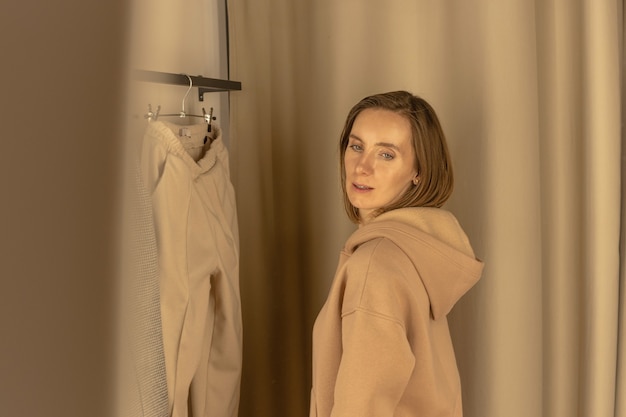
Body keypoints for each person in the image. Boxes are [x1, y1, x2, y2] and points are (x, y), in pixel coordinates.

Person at [309, 91, 484, 417]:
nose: (362, 167)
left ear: (419, 170)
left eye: (386, 155)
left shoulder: (374, 266)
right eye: (356, 146)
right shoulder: (414, 254)